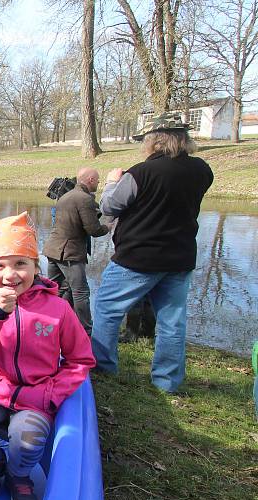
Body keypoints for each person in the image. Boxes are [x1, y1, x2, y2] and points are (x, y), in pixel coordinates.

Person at [0, 212, 94, 500]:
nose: (11, 274)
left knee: (28, 440)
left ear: (35, 267)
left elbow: (80, 358)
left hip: (37, 394)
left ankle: (19, 475)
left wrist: (52, 393)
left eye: (20, 264)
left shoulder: (58, 309)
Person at [92, 113, 213, 392]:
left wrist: (111, 182)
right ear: (184, 140)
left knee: (107, 310)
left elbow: (110, 207)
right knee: (172, 320)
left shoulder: (141, 173)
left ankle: (102, 367)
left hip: (137, 258)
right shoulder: (202, 170)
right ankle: (167, 381)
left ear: (154, 141)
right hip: (180, 258)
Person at [43, 167, 109, 336]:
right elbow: (93, 229)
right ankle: (86, 331)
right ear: (90, 180)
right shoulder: (84, 199)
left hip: (52, 249)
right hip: (69, 253)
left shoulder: (65, 196)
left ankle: (54, 324)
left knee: (58, 290)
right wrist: (107, 227)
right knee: (80, 292)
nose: (99, 183)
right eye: (98, 180)